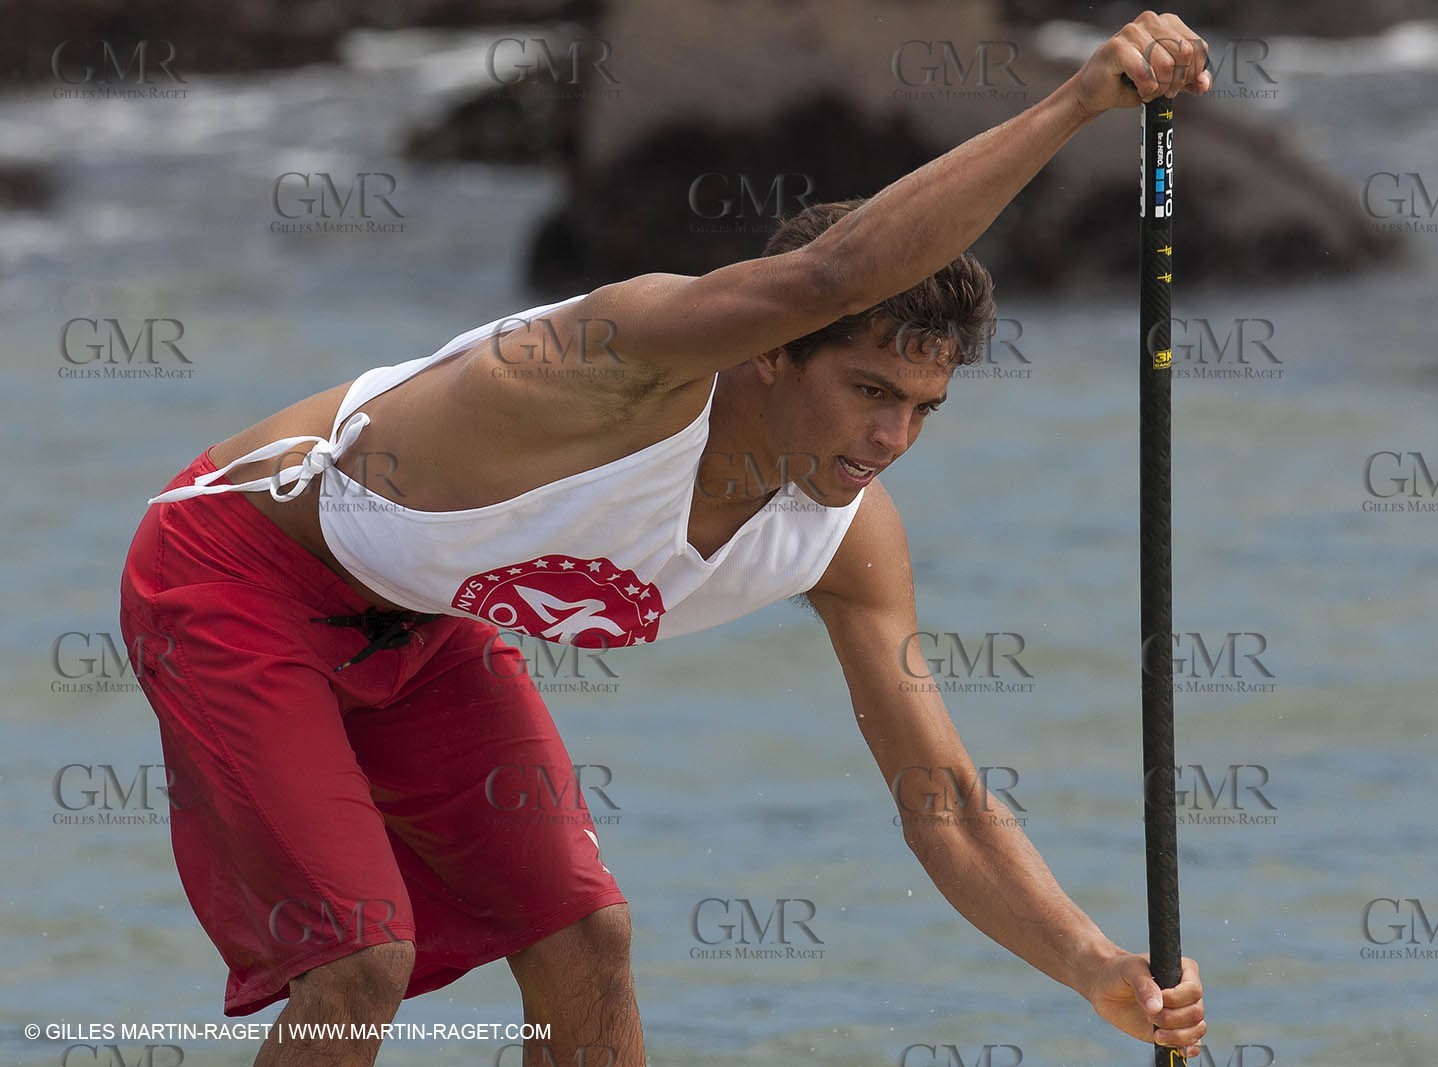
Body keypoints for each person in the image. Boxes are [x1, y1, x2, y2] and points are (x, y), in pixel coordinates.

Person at [121, 12, 1214, 1066]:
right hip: (236, 571)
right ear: (774, 348)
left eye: (923, 406)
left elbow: (944, 802)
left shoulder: (845, 541)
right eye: (869, 388)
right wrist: (1078, 102)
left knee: (587, 942)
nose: (890, 436)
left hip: (421, 619)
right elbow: (832, 276)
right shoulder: (628, 359)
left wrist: (1093, 963)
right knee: (363, 957)